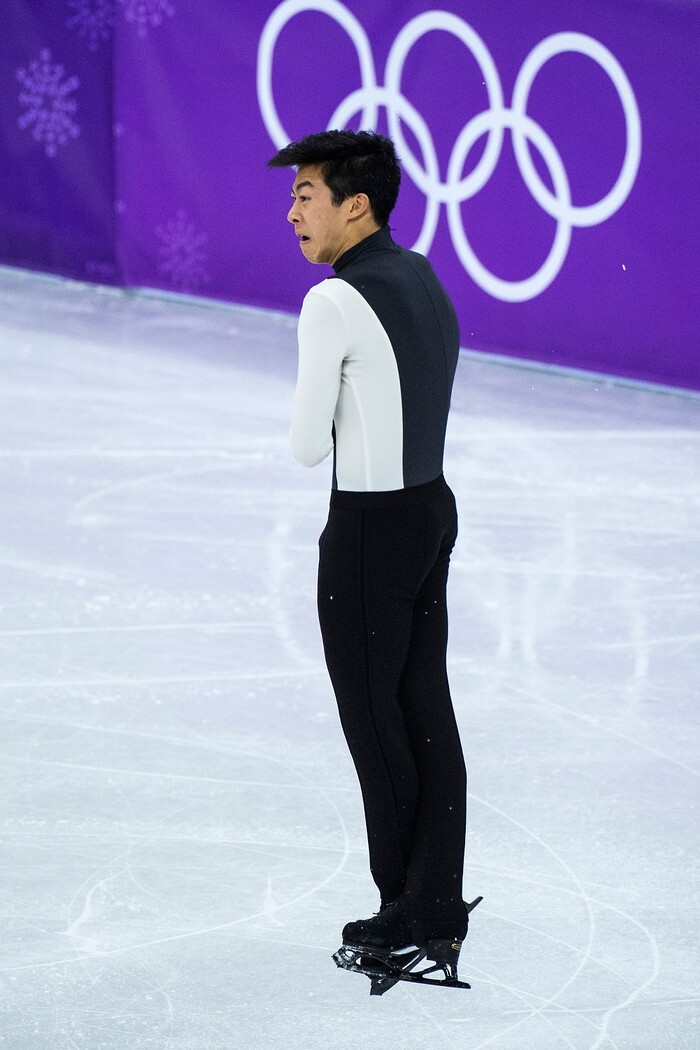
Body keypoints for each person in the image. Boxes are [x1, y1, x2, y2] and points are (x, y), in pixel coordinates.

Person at [267, 130, 480, 990]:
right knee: (426, 709)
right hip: (430, 512)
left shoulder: (333, 301)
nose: (292, 213)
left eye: (305, 196)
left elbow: (305, 447)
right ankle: (437, 902)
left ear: (356, 205)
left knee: (374, 722)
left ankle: (403, 910)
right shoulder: (422, 276)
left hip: (367, 533)